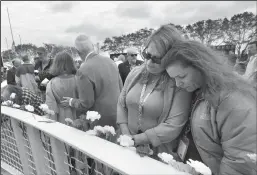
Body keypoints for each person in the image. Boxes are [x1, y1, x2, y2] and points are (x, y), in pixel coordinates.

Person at [162, 40, 256, 175]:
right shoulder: (198, 90)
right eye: (174, 79)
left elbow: (240, 162)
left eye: (181, 76)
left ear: (201, 66)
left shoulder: (234, 99)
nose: (178, 84)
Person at [117, 24, 192, 158]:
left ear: (172, 58)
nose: (150, 62)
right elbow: (121, 103)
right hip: (127, 145)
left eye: (157, 59)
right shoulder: (135, 73)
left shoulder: (178, 82)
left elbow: (173, 126)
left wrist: (136, 140)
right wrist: (126, 134)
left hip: (159, 152)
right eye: (147, 54)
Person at [60, 35, 123, 128]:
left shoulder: (83, 70)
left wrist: (71, 101)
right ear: (93, 46)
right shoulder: (111, 62)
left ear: (77, 52)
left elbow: (86, 103)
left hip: (99, 121)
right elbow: (121, 88)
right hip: (118, 116)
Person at [45, 51, 78, 124]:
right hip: (77, 115)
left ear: (56, 64)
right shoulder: (79, 80)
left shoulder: (51, 83)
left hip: (61, 117)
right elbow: (85, 101)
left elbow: (50, 106)